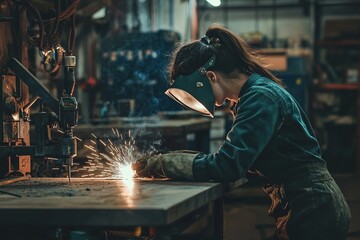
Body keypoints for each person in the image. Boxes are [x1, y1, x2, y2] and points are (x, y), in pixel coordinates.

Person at [132, 25, 351, 240]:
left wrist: (164, 164)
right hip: (305, 204)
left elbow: (227, 166)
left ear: (210, 77)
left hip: (313, 210)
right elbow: (234, 159)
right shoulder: (251, 97)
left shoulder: (260, 99)